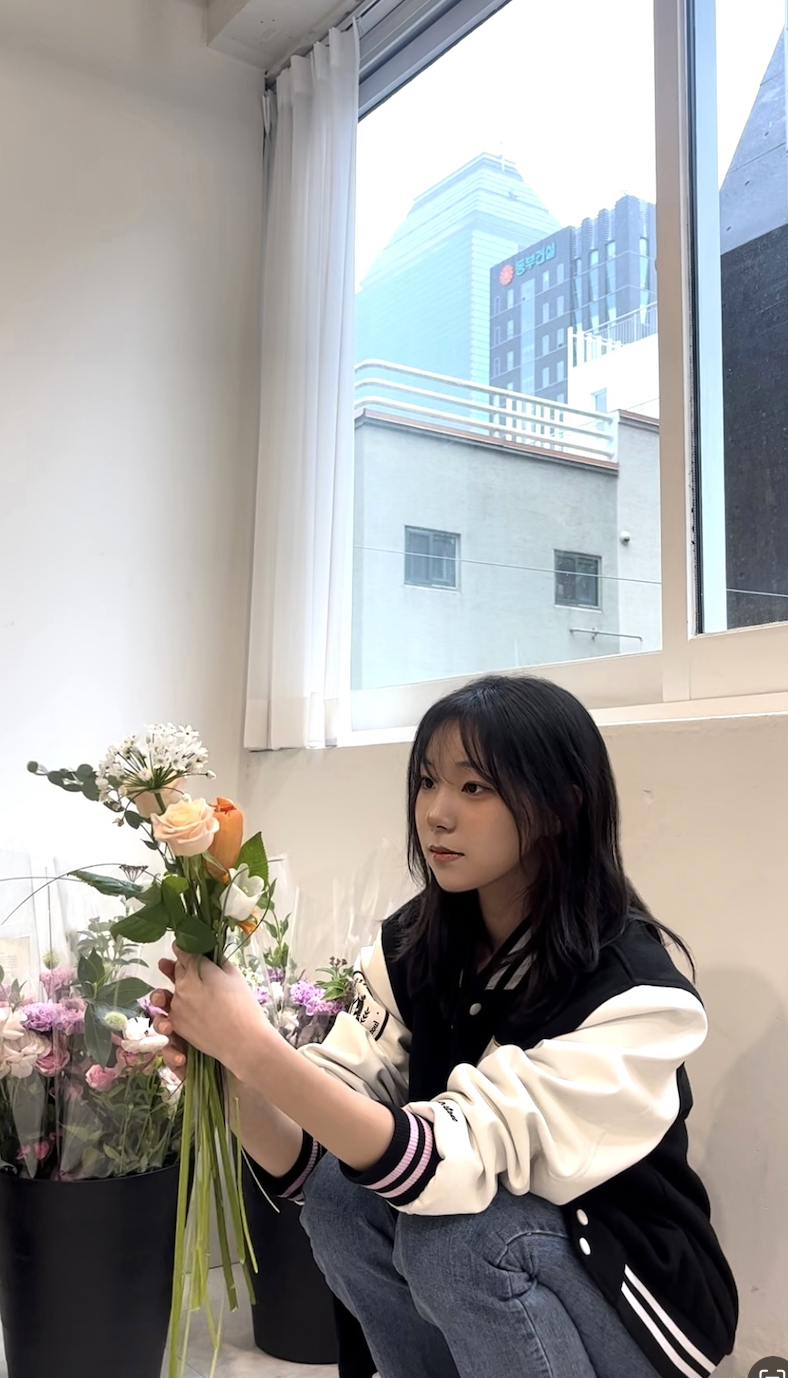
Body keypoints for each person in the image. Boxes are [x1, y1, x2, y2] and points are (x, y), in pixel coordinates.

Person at [152, 674, 738, 1378]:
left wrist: (255, 1046)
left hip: (636, 1297)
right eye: (427, 782)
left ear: (561, 806)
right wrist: (231, 1075)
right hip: (510, 1267)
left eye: (475, 787)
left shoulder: (637, 997)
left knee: (461, 1238)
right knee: (340, 1197)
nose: (436, 813)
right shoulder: (412, 947)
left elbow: (451, 1160)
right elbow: (318, 1155)